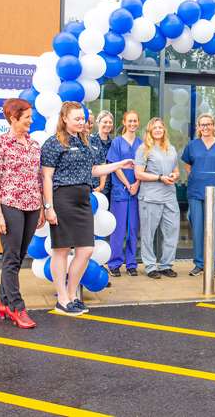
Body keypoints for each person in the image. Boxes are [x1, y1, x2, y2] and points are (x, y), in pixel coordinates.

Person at [40, 102, 134, 316]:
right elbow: (46, 176)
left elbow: (94, 170)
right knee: (61, 250)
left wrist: (118, 165)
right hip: (62, 198)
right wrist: (49, 207)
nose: (82, 122)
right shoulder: (53, 143)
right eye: (77, 119)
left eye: (83, 119)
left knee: (86, 250)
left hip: (83, 198)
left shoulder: (86, 143)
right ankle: (62, 299)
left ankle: (73, 295)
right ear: (64, 118)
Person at [0, 98, 44, 329]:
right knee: (11, 258)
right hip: (10, 206)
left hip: (31, 207)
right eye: (27, 117)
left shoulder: (33, 145)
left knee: (18, 257)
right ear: (14, 118)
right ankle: (17, 308)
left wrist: (40, 207)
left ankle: (3, 301)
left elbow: (37, 179)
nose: (31, 120)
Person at [182, 113, 215, 277]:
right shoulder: (192, 145)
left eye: (208, 124)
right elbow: (188, 165)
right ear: (198, 127)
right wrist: (197, 177)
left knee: (214, 230)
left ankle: (213, 264)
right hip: (196, 191)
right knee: (197, 229)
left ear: (213, 126)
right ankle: (199, 264)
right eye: (202, 125)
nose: (205, 127)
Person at [134, 118, 181, 278]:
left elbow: (176, 170)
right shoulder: (143, 149)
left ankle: (166, 265)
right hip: (150, 197)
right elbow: (138, 173)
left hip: (169, 196)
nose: (158, 130)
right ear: (150, 131)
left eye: (161, 127)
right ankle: (150, 266)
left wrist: (174, 175)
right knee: (148, 234)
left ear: (164, 130)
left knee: (172, 231)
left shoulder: (171, 148)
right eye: (155, 128)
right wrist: (160, 177)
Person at [106, 110, 142, 277]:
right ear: (124, 122)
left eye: (135, 121)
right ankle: (114, 263)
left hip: (136, 191)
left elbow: (144, 167)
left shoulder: (142, 144)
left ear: (138, 123)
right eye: (130, 121)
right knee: (119, 229)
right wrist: (128, 184)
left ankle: (131, 263)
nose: (132, 124)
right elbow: (115, 166)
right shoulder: (117, 143)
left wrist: (137, 183)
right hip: (120, 191)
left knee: (133, 228)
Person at [90, 110, 114, 197]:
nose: (108, 124)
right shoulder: (90, 140)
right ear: (98, 123)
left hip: (110, 187)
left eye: (110, 122)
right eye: (105, 122)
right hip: (93, 185)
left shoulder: (114, 143)